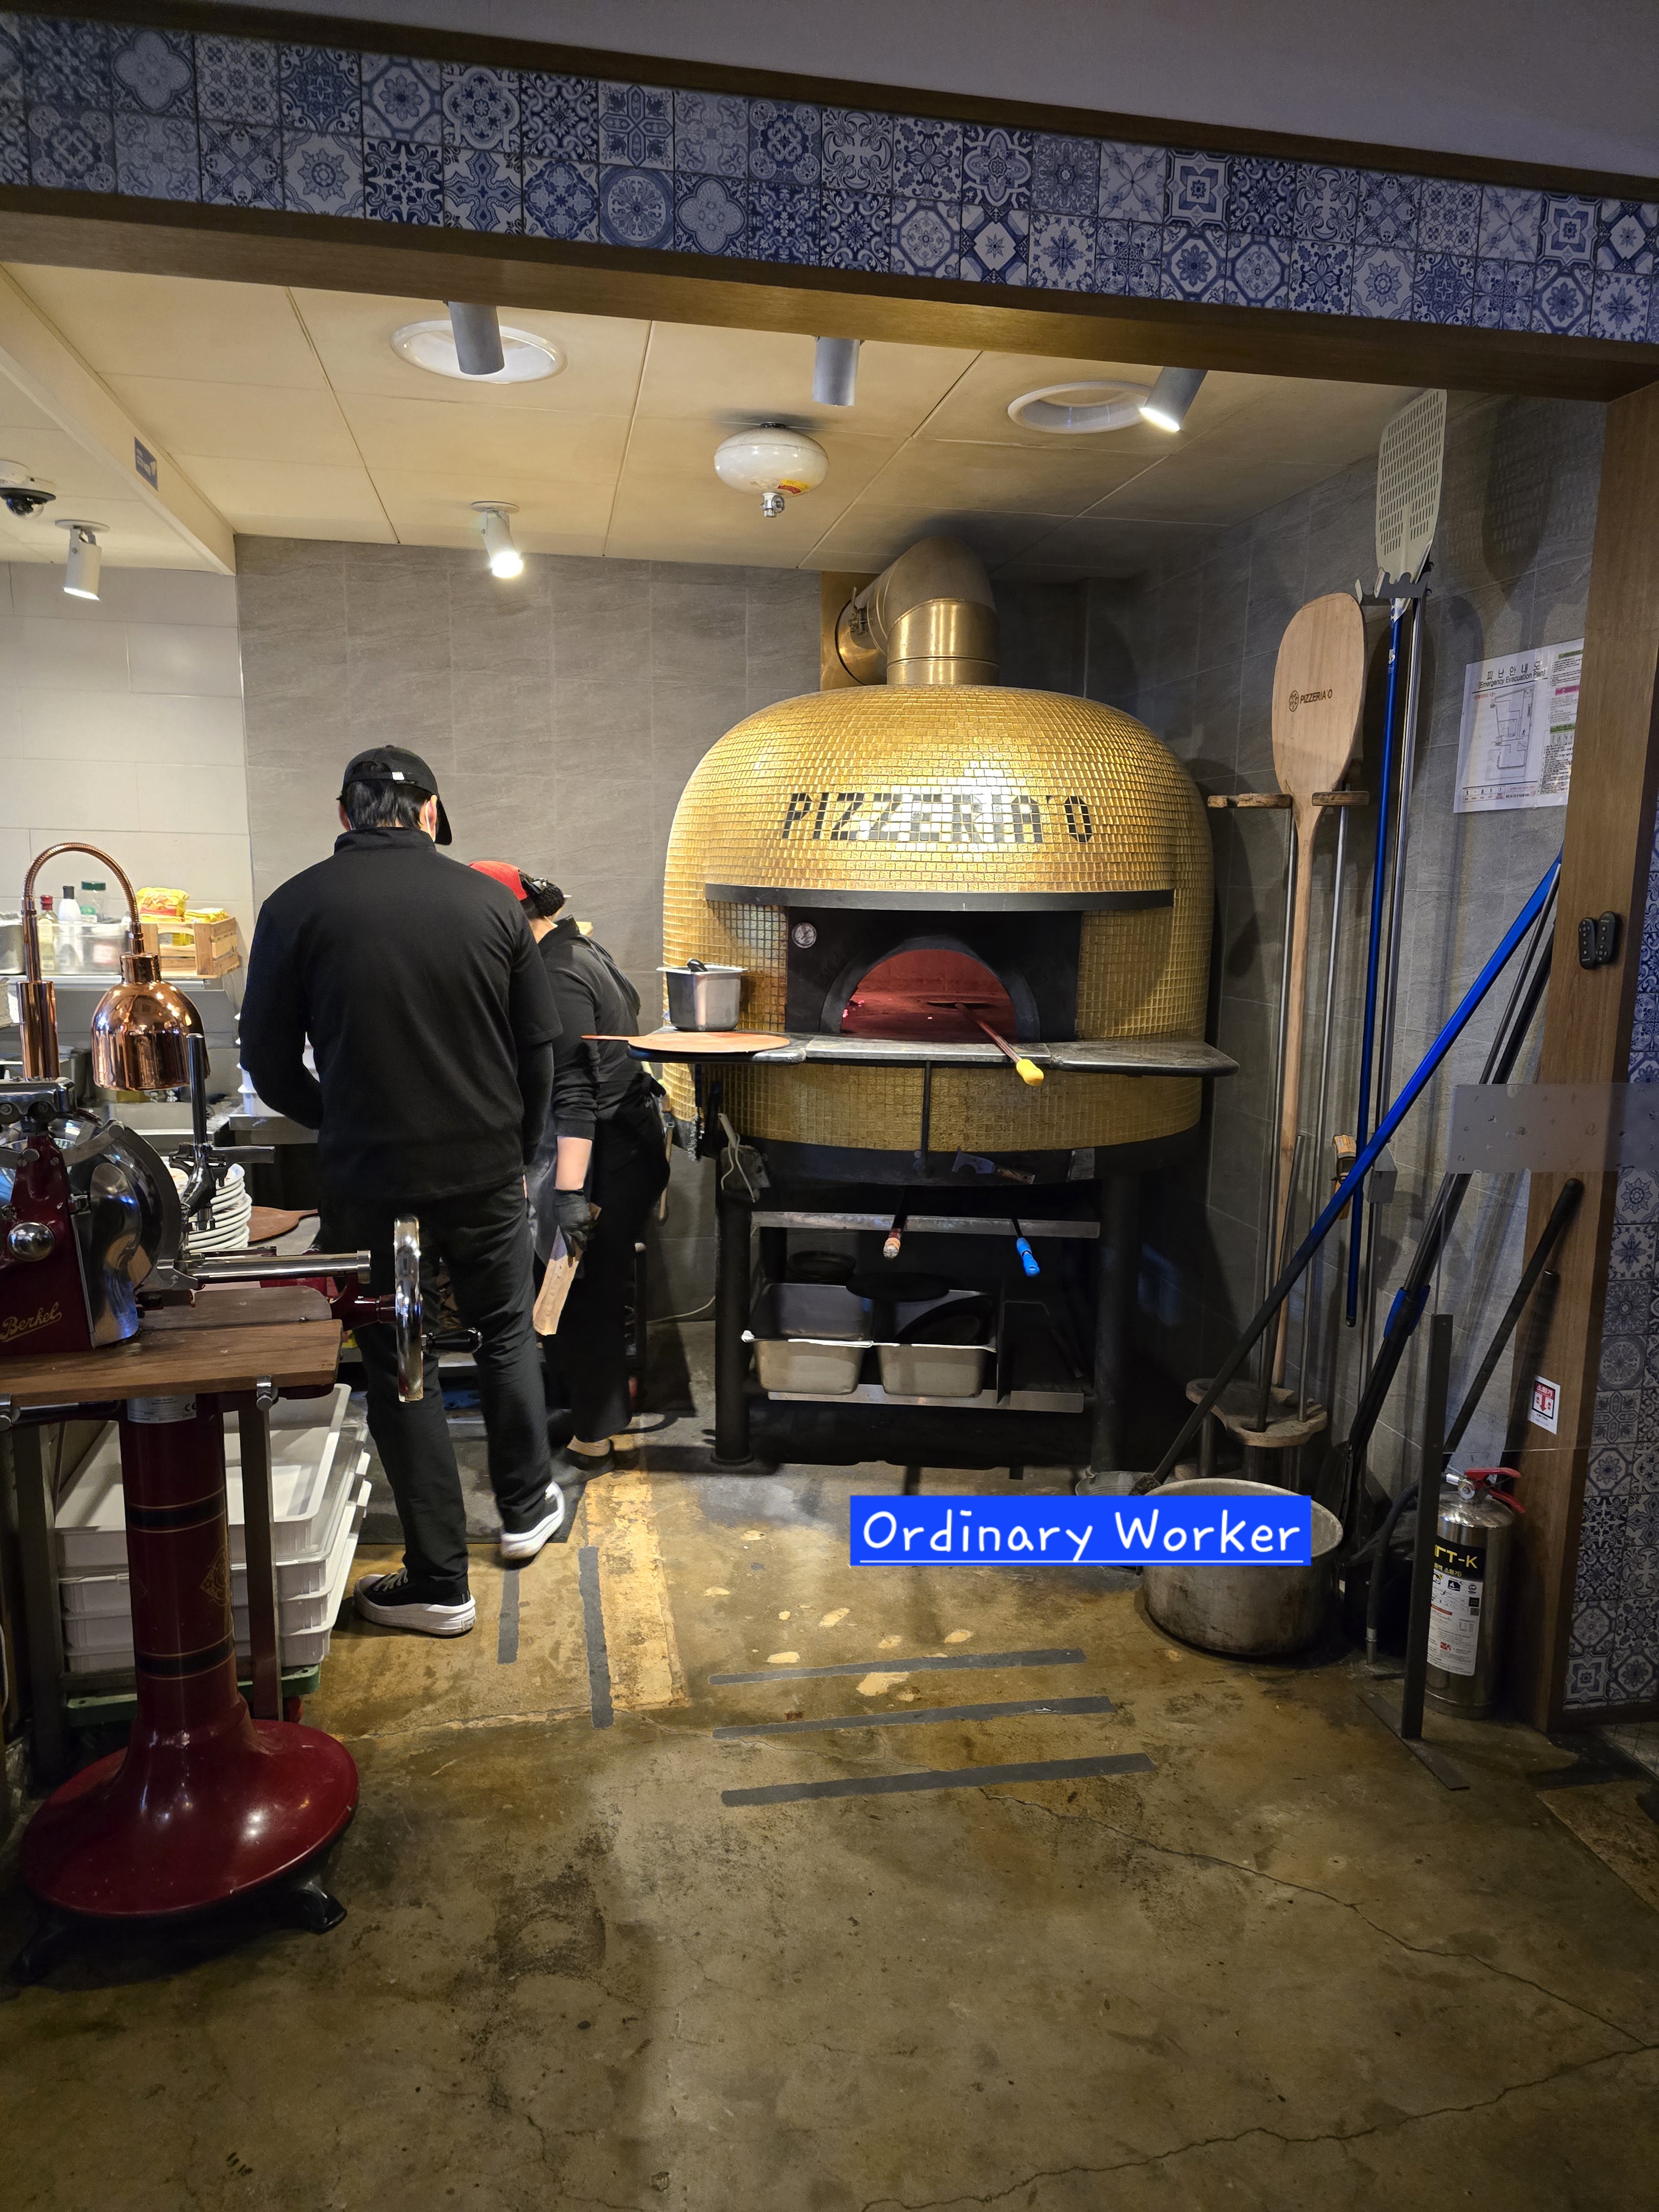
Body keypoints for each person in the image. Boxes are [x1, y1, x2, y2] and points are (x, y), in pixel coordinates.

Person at [239, 748, 567, 1640]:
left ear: (343, 813)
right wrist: (519, 1149)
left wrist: (337, 1117)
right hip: (486, 1169)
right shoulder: (490, 904)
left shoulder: (295, 905)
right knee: (505, 1331)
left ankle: (437, 1581)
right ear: (429, 812)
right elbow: (537, 1051)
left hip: (371, 1178)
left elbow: (266, 1060)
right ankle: (527, 1509)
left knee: (400, 1355)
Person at [471, 864, 671, 1482]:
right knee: (593, 1291)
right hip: (629, 1140)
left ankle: (594, 1434)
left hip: (601, 1151)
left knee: (578, 1295)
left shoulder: (553, 976)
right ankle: (595, 1416)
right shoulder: (579, 946)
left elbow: (575, 1094)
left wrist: (570, 1196)